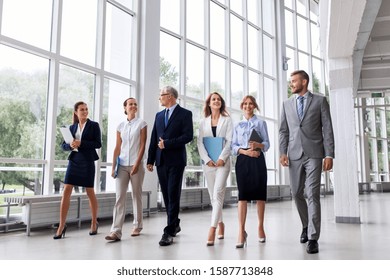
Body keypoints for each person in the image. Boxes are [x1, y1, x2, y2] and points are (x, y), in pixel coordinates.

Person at [279, 70, 334, 254]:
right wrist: (282, 151)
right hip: (294, 154)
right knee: (296, 193)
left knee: (313, 193)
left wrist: (329, 154)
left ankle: (313, 237)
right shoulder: (286, 104)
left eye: (294, 81)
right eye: (290, 81)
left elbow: (327, 128)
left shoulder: (320, 101)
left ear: (304, 81)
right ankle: (305, 225)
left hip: (315, 153)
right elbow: (283, 131)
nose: (291, 84)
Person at [147, 86, 193, 246]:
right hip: (161, 161)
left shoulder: (185, 114)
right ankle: (175, 223)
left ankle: (168, 231)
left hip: (176, 161)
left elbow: (188, 136)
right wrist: (150, 160)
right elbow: (154, 137)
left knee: (173, 194)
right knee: (166, 195)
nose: (159, 98)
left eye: (162, 95)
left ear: (171, 96)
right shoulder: (159, 115)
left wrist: (168, 143)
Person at [54, 101, 102, 239]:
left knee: (89, 191)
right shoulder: (71, 127)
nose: (85, 111)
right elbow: (63, 146)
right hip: (74, 161)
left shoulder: (94, 125)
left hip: (87, 161)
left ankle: (94, 222)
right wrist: (71, 145)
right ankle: (62, 225)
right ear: (76, 112)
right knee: (66, 190)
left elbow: (98, 143)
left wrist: (81, 143)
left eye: (86, 109)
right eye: (82, 109)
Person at [105, 97, 147, 242]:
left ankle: (137, 225)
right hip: (121, 165)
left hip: (137, 165)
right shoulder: (120, 126)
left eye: (135, 104)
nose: (133, 106)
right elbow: (117, 147)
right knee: (119, 198)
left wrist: (137, 164)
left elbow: (142, 145)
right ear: (125, 108)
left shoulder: (142, 123)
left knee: (136, 195)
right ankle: (116, 231)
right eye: (130, 104)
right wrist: (113, 166)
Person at [231, 95, 270, 248]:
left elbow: (267, 144)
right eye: (245, 104)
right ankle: (241, 231)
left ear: (254, 106)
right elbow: (233, 146)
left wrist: (258, 146)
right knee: (243, 196)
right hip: (243, 159)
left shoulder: (261, 123)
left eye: (251, 104)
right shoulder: (237, 124)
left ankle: (260, 227)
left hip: (258, 159)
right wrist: (246, 152)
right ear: (242, 106)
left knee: (260, 195)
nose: (248, 106)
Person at [197, 92, 233, 246]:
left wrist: (221, 158)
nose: (216, 101)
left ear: (221, 103)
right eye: (213, 99)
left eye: (218, 99)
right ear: (209, 103)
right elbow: (199, 143)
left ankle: (212, 229)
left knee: (218, 192)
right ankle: (221, 224)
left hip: (222, 163)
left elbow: (230, 141)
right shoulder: (203, 122)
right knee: (213, 196)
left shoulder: (228, 120)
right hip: (208, 164)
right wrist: (207, 160)